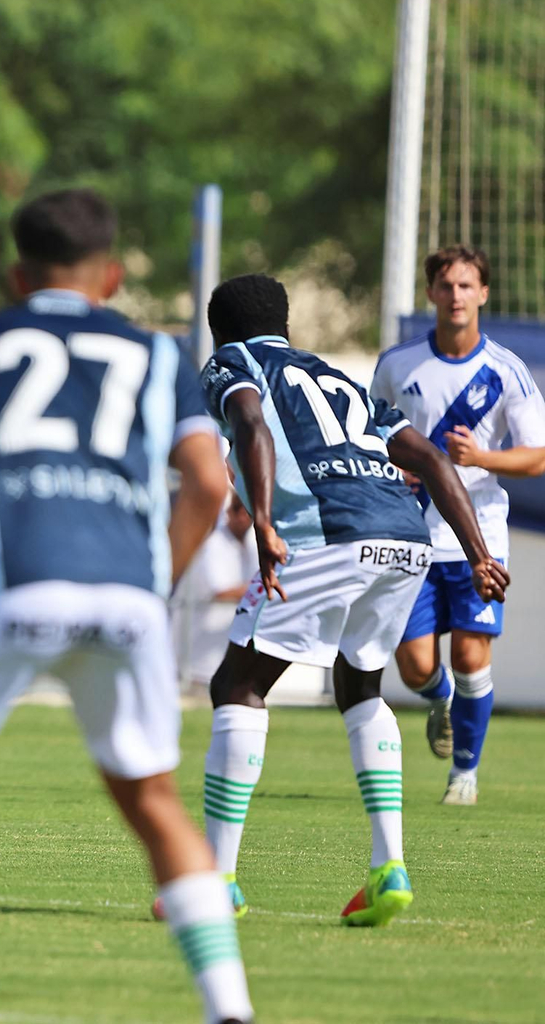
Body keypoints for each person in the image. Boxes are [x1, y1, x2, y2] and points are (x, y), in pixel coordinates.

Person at [0, 190, 252, 1024]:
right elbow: (210, 482)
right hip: (125, 601)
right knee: (155, 803)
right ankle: (229, 1010)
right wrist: (150, 587)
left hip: (10, 584)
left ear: (15, 272)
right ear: (111, 274)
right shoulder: (155, 352)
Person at [192, 273, 505, 930]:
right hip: (405, 538)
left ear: (220, 328)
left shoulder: (232, 361)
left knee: (239, 684)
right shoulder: (338, 379)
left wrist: (265, 523)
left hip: (324, 533)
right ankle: (388, 866)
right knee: (360, 681)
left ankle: (217, 879)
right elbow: (432, 460)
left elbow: (251, 421)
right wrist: (479, 553)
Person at [369, 245, 545, 805]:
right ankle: (439, 701)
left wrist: (479, 459)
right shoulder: (398, 365)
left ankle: (464, 773)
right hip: (413, 532)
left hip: (479, 535)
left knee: (472, 655)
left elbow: (537, 457)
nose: (456, 296)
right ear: (431, 294)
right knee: (415, 663)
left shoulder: (506, 371)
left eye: (467, 286)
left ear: (484, 294)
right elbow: (369, 435)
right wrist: (393, 464)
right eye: (446, 286)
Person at [173, 492, 259, 692]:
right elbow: (221, 591)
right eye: (241, 512)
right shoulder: (213, 544)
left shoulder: (249, 545)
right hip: (197, 653)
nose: (244, 519)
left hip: (223, 650)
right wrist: (263, 586)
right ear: (230, 512)